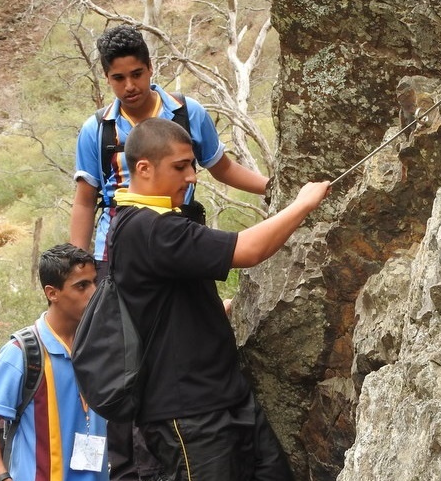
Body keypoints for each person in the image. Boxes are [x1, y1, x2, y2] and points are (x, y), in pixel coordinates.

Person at [70, 24, 269, 481]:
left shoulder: (186, 112)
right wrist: (83, 273)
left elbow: (221, 167)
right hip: (118, 252)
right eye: (118, 79)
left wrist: (274, 189)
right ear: (107, 79)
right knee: (129, 361)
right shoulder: (97, 130)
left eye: (136, 74)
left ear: (151, 67)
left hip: (179, 240)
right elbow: (86, 200)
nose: (130, 87)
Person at [110, 117, 330, 481]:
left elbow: (168, 300)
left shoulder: (159, 223)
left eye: (193, 166)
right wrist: (301, 205)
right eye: (180, 167)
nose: (192, 177)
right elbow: (248, 250)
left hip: (226, 397)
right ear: (144, 168)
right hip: (188, 414)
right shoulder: (149, 228)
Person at [0, 244, 108, 481]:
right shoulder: (22, 352)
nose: (93, 292)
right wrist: (3, 478)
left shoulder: (101, 346)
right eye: (81, 286)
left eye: (95, 282)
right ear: (52, 293)